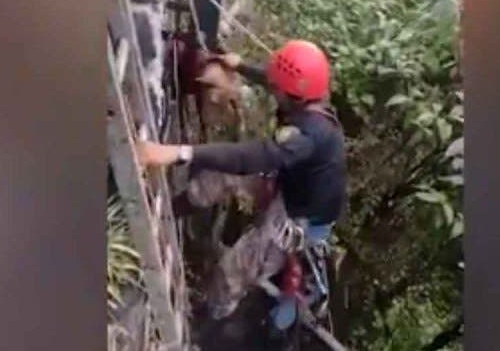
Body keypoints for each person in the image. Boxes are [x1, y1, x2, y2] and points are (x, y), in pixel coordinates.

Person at [137, 39, 347, 322]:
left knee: (231, 272)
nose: (273, 89)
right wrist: (241, 67)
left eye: (277, 88)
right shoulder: (309, 98)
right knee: (220, 175)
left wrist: (178, 153)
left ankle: (202, 319)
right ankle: (167, 214)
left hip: (297, 220)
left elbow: (255, 157)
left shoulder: (308, 137)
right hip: (290, 185)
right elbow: (276, 83)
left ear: (293, 95)